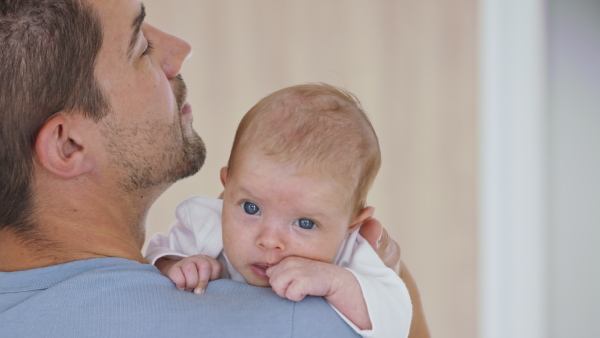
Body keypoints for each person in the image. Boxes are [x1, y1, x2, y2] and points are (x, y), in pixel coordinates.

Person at [0, 0, 429, 337]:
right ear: (69, 144)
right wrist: (391, 273)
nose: (179, 50)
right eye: (140, 46)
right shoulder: (303, 320)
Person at [146, 83, 412, 337]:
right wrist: (175, 265)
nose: (269, 240)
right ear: (227, 189)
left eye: (305, 223)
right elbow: (151, 262)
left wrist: (337, 282)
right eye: (251, 208)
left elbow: (395, 320)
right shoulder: (206, 225)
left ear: (351, 225)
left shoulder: (352, 255)